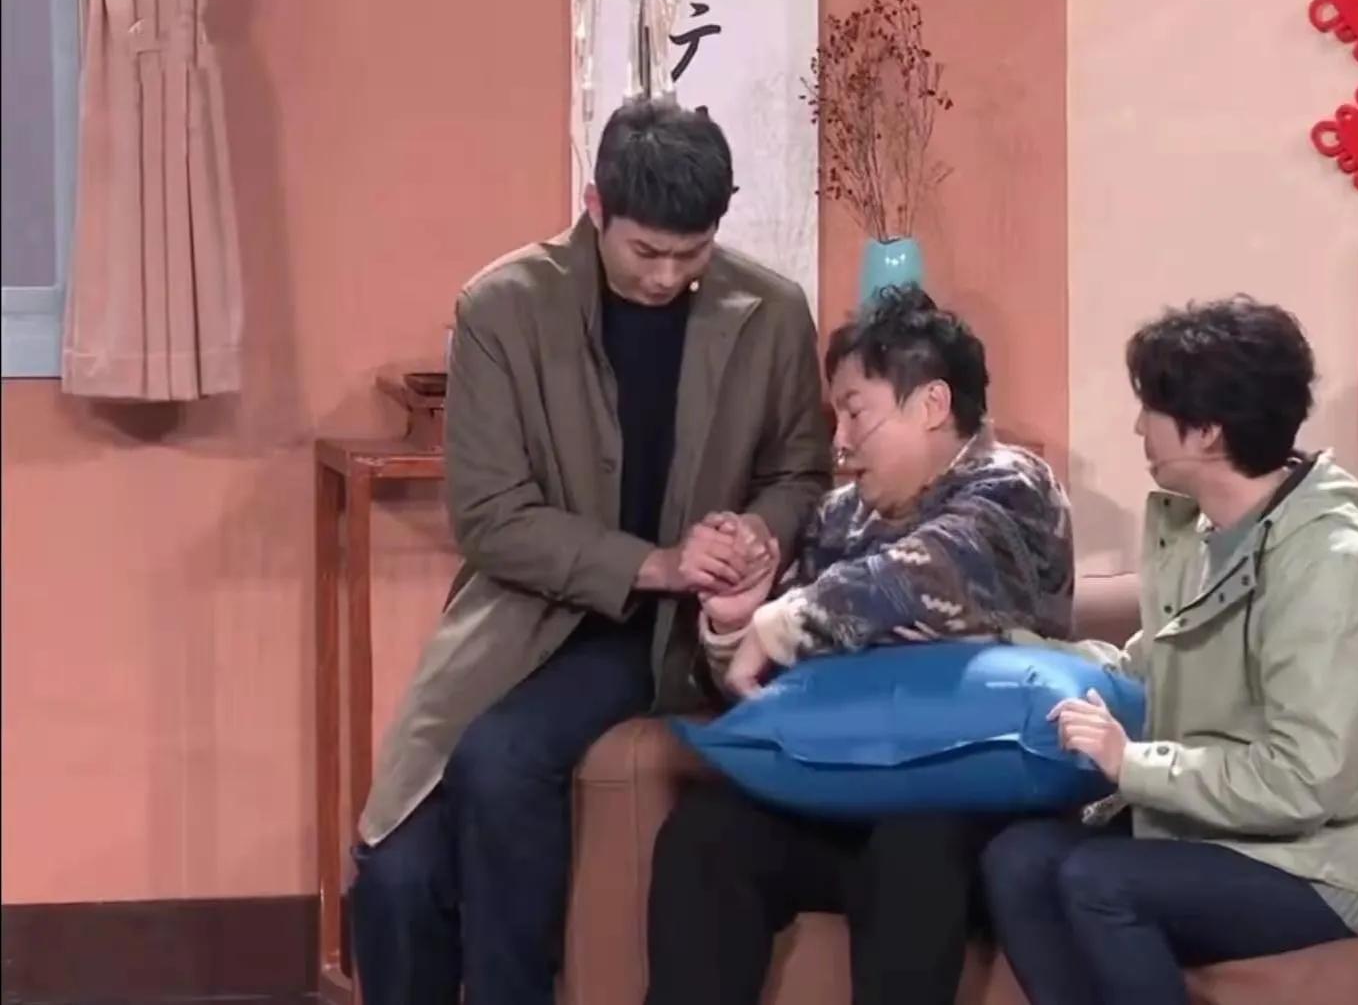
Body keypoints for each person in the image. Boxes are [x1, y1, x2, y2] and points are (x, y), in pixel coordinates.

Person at [347, 99, 833, 1005]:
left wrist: (756, 532)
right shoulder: (503, 307)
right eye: (646, 252)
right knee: (395, 874)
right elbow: (491, 516)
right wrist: (657, 561)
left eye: (693, 254)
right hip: (523, 617)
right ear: (595, 206)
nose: (667, 276)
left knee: (501, 759)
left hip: (672, 633)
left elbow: (801, 471)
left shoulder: (770, 312)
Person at [982, 296, 1358, 1005]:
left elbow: (1304, 780)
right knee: (1018, 860)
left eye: (1151, 408)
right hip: (1230, 835)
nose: (1138, 426)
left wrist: (1131, 763)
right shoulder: (1202, 535)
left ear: (1207, 431)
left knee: (1099, 881)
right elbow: (1142, 670)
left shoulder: (1332, 565)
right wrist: (1001, 650)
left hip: (1337, 862)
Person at [645, 289, 1075, 1005]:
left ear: (931, 404)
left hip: (969, 804)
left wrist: (785, 622)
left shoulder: (1014, 487)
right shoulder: (842, 517)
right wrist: (733, 625)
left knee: (917, 843)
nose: (839, 444)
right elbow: (762, 683)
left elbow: (928, 572)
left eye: (856, 413)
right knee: (706, 834)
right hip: (842, 789)